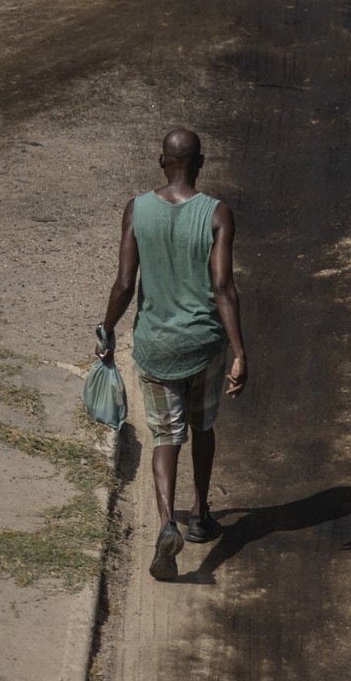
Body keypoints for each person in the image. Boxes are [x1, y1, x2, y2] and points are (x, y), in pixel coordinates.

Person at [98, 129, 247, 581]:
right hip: (204, 344)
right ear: (200, 162)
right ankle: (200, 515)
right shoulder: (218, 214)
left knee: (166, 437)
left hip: (157, 345)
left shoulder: (137, 209)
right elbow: (223, 287)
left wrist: (106, 330)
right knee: (203, 426)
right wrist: (240, 351)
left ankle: (167, 523)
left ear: (162, 161)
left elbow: (125, 284)